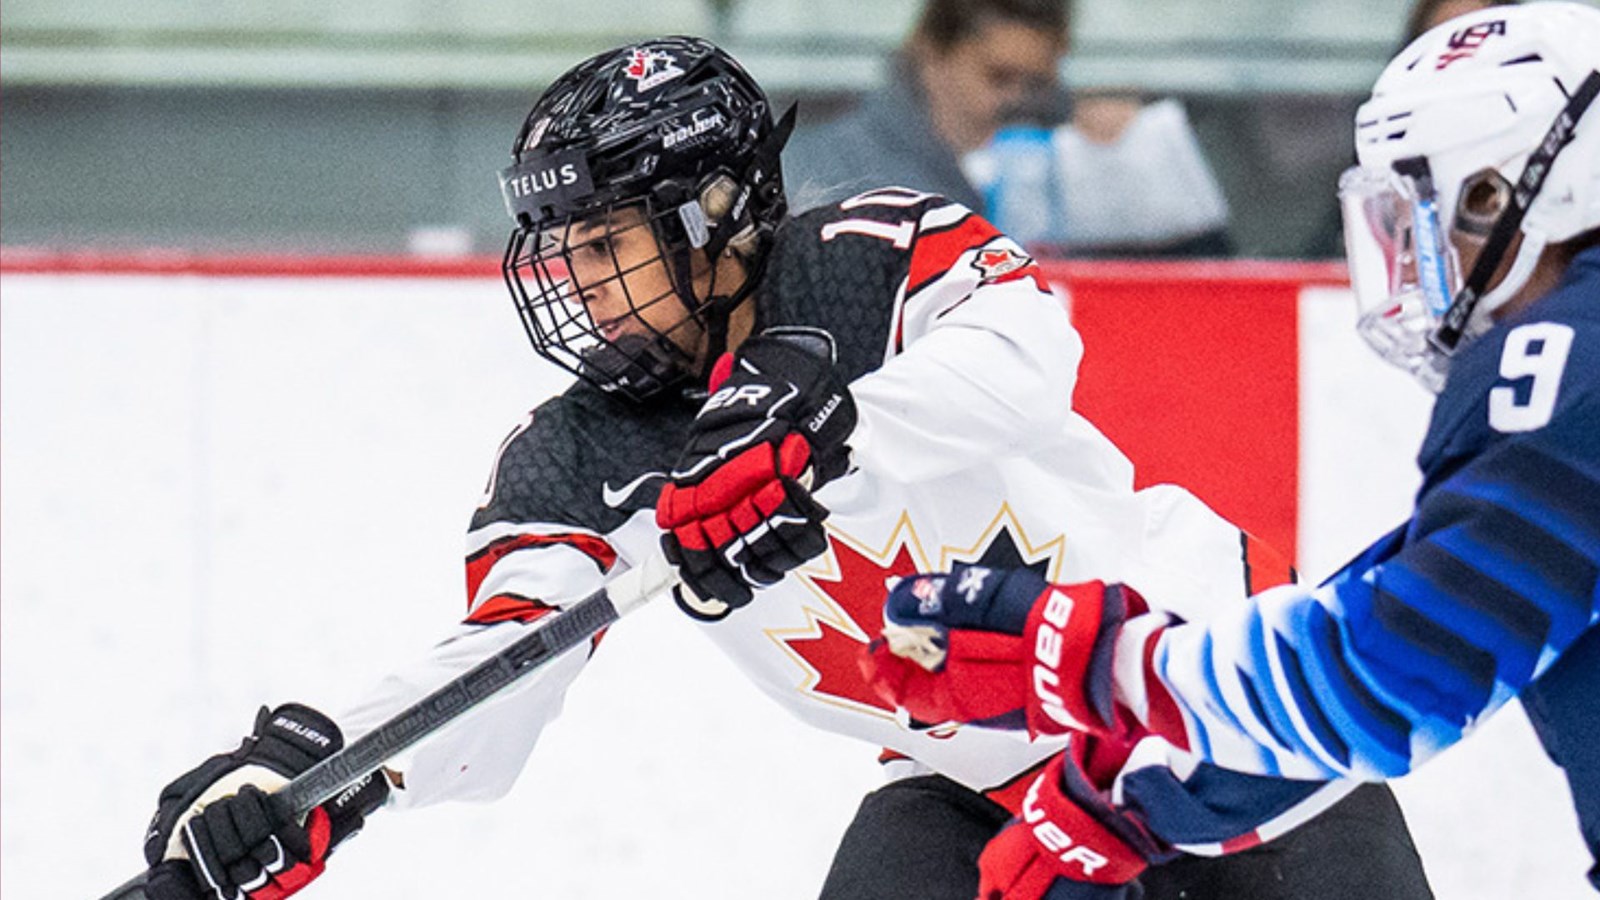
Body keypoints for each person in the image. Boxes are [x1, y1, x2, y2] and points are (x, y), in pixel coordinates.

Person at [133, 37, 1436, 900]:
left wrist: (816, 433)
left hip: (1220, 709)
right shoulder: (581, 450)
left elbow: (1028, 350)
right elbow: (501, 663)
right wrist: (328, 776)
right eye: (559, 248)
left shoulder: (861, 253)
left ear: (713, 219)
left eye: (604, 243)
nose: (571, 281)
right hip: (975, 782)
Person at [863, 1, 1600, 894]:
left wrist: (1100, 660)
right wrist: (1136, 799)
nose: (1419, 267)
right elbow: (1405, 607)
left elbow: (1397, 664)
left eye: (1438, 212)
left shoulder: (1568, 354)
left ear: (1518, 193)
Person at [783, 0, 1067, 212]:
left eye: (1036, 84)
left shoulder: (1052, 159)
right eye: (999, 77)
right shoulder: (837, 177)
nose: (1016, 101)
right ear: (933, 57)